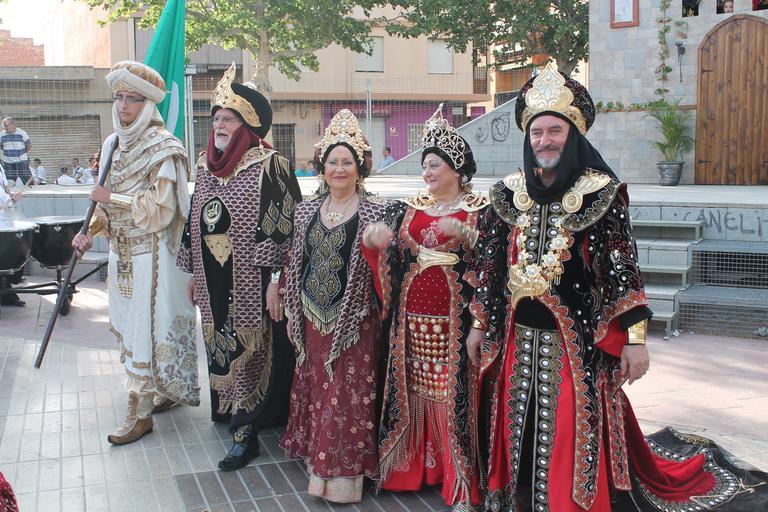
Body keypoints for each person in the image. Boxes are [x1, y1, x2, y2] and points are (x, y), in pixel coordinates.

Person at [473, 62, 768, 511]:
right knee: (518, 424)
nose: (544, 141)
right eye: (537, 132)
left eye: (555, 131)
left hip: (576, 347)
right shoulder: (506, 194)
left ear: (573, 135)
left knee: (570, 429)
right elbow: (490, 268)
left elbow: (622, 272)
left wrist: (635, 339)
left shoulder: (601, 194)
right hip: (517, 340)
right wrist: (479, 325)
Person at [176, 63, 302, 471]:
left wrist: (277, 281)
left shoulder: (271, 165)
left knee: (251, 343)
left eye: (227, 119)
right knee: (219, 338)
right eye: (215, 118)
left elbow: (286, 228)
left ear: (246, 124)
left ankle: (247, 429)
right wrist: (193, 272)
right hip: (212, 274)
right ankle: (230, 408)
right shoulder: (204, 165)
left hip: (255, 278)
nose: (218, 125)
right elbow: (194, 218)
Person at [72, 61, 200, 445]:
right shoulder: (112, 144)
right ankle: (156, 391)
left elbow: (163, 210)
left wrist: (113, 198)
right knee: (132, 329)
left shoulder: (165, 148)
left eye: (133, 99)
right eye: (119, 97)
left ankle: (139, 413)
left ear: (148, 104)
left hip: (153, 258)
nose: (124, 106)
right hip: (122, 253)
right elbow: (102, 206)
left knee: (147, 331)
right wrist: (88, 233)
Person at [363, 106, 485, 510]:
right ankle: (409, 466)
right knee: (414, 386)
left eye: (434, 165)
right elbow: (392, 258)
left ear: (456, 169)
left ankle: (457, 474)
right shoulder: (408, 208)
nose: (427, 173)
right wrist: (375, 243)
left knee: (453, 389)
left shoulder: (481, 209)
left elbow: (496, 262)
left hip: (458, 318)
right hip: (411, 318)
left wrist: (467, 234)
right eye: (424, 166)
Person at [280, 110, 390, 503]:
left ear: (360, 168)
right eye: (332, 162)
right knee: (319, 391)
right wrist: (290, 307)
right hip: (311, 317)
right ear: (321, 167)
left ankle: (345, 479)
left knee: (347, 394)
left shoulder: (378, 210)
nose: (339, 169)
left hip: (355, 321)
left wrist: (380, 247)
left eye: (347, 162)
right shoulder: (306, 210)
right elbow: (295, 262)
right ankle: (319, 467)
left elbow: (390, 267)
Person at [0, 117, 31, 184]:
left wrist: (21, 153)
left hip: (22, 161)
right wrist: (8, 152)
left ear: (12, 124)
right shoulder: (1, 134)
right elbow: (1, 146)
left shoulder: (22, 132)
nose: (4, 128)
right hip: (8, 162)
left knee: (26, 179)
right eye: (3, 126)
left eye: (6, 126)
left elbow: (29, 145)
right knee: (9, 180)